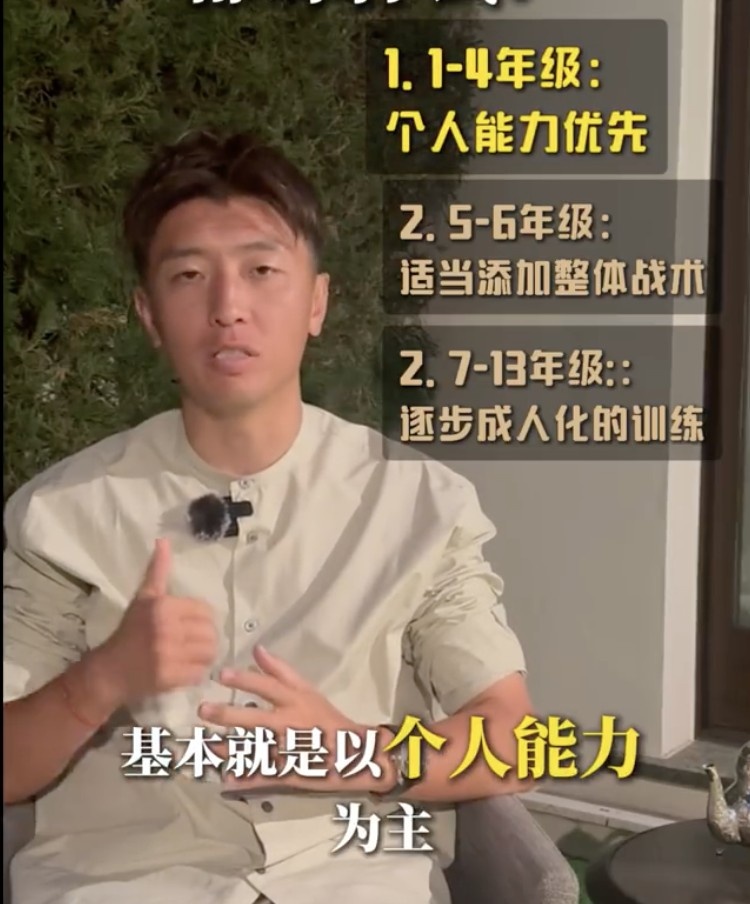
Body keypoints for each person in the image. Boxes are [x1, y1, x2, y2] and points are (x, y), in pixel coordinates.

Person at [3, 131, 532, 904]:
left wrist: (355, 754)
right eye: (189, 276)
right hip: (127, 882)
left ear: (316, 302)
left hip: (352, 877)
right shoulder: (61, 516)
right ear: (149, 315)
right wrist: (102, 678)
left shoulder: (419, 503)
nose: (228, 309)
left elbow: (510, 738)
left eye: (261, 270)